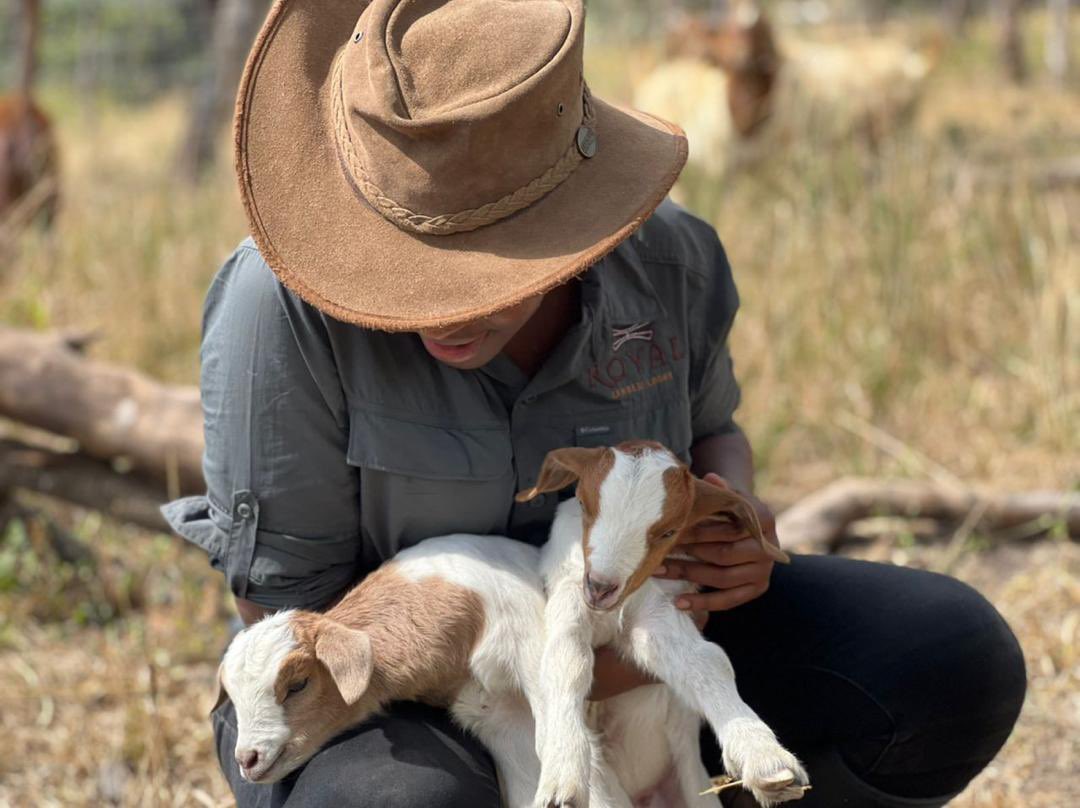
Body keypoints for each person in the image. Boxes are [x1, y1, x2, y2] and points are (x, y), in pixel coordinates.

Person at [164, 1, 1026, 806]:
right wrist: (566, 666)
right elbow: (293, 629)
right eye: (412, 268)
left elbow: (714, 430)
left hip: (658, 630)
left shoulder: (669, 260)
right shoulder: (279, 312)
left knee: (951, 657)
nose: (447, 312)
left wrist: (730, 524)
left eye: (495, 268)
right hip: (415, 698)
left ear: (571, 215)